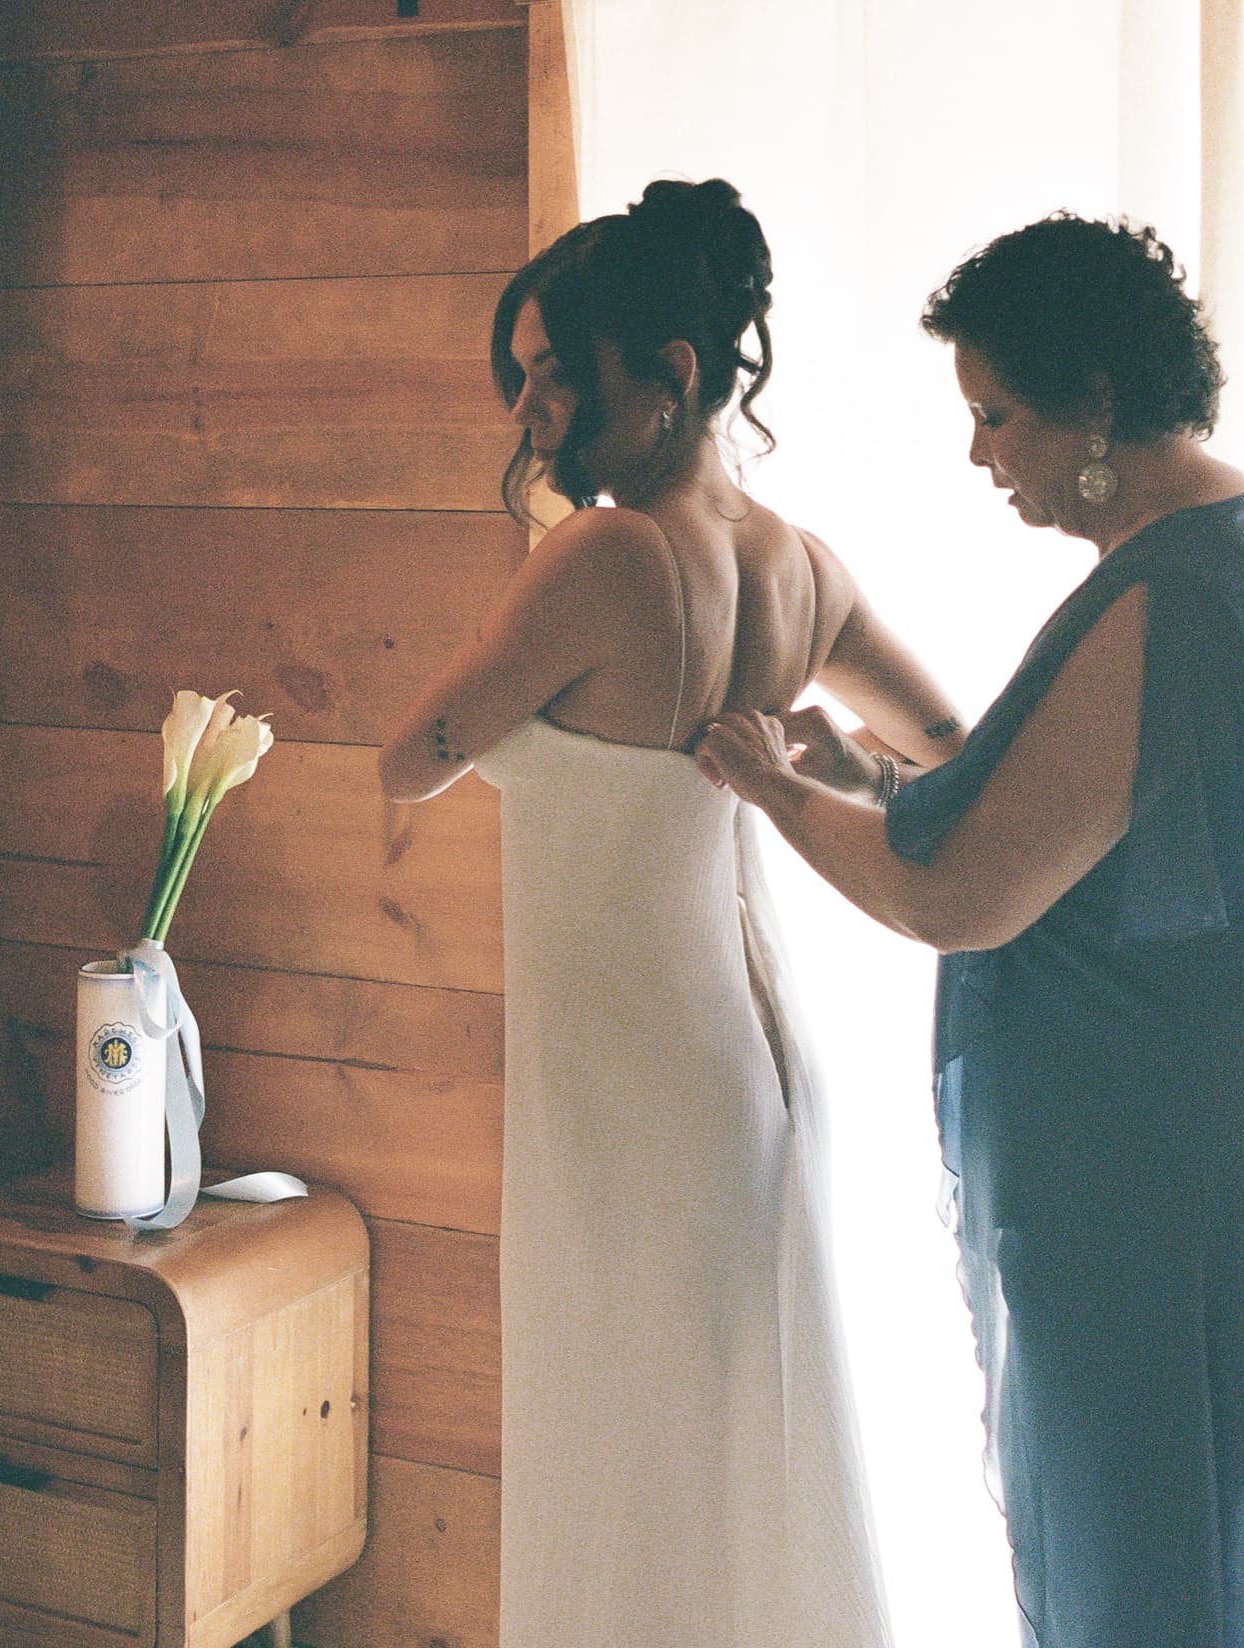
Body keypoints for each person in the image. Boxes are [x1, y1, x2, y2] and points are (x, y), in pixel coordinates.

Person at [699, 213, 1244, 1648]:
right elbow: (1078, 831)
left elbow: (961, 900)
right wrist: (866, 774)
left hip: (1159, 1172)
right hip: (1170, 1144)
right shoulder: (1213, 547)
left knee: (1154, 1569)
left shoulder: (1173, 600)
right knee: (1151, 1552)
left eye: (994, 415)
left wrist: (767, 790)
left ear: (1091, 403)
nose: (979, 455)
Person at [378, 177, 965, 1648]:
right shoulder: (800, 564)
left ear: (672, 376)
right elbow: (949, 745)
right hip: (745, 1052)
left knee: (621, 1449)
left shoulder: (599, 556)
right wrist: (830, 765)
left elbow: (409, 761)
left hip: (623, 1073)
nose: (530, 412)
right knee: (733, 1440)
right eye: (522, 380)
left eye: (554, 378)